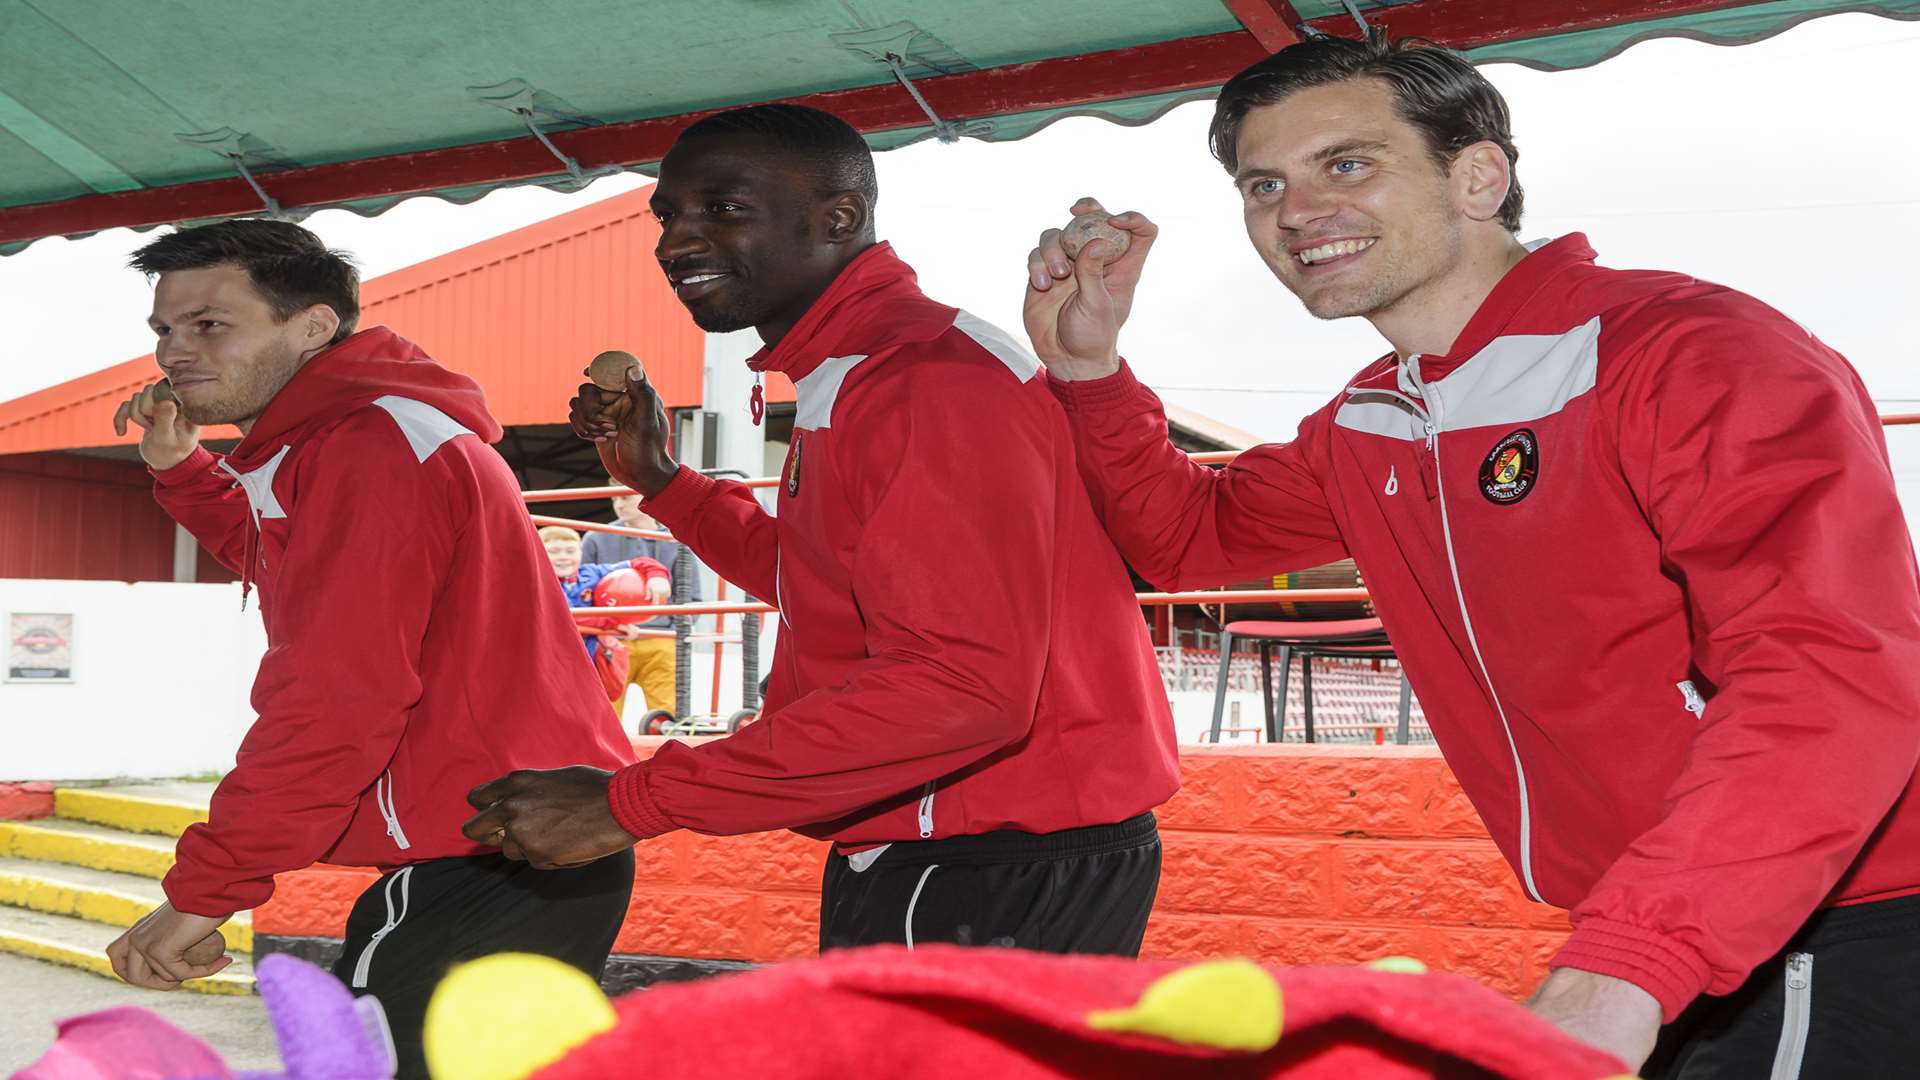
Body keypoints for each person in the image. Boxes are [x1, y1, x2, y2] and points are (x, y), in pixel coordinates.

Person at [1021, 30, 1920, 1077]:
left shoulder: (1689, 352)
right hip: (1653, 925)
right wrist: (1087, 369)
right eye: (1263, 183)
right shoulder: (1374, 419)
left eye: (1346, 163)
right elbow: (1188, 536)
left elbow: (1830, 671)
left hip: (1837, 917)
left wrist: (1624, 966)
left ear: (1479, 177)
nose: (1295, 210)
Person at [462, 103, 1180, 958]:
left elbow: (962, 684)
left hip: (984, 853)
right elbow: (832, 582)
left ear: (838, 218)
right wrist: (662, 479)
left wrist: (628, 803)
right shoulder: (863, 368)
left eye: (722, 210)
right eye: (669, 216)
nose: (675, 242)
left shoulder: (923, 378)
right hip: (959, 847)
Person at [104, 220, 637, 1079]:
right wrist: (181, 471)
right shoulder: (358, 432)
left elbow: (335, 698)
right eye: (164, 329)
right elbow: (292, 560)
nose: (174, 351)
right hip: (515, 838)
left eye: (210, 323)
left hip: (491, 844)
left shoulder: (367, 444)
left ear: (313, 326)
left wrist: (203, 894)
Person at [579, 484, 699, 718]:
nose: (618, 505)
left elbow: (691, 594)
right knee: (602, 716)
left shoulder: (677, 538)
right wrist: (601, 630)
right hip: (610, 638)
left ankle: (671, 752)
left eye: (625, 498)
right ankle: (601, 756)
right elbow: (582, 589)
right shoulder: (595, 537)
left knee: (669, 715)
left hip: (660, 639)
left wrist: (672, 631)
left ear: (646, 495)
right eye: (614, 499)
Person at [540, 523, 671, 710]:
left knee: (591, 707)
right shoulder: (537, 581)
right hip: (553, 657)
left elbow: (639, 562)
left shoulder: (591, 573)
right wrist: (612, 624)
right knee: (554, 706)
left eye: (570, 551)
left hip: (589, 660)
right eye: (554, 551)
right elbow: (563, 617)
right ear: (539, 552)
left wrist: (657, 576)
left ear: (580, 552)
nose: (564, 557)